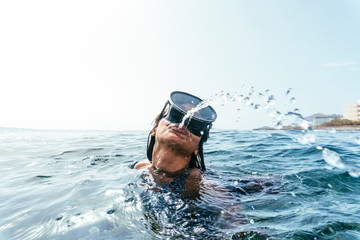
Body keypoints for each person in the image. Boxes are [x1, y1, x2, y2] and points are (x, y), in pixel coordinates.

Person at [134, 91, 217, 187]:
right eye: (175, 115)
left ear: (197, 147)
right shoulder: (140, 168)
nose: (183, 122)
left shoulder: (203, 183)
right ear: (155, 129)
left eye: (194, 123)